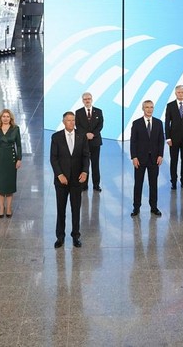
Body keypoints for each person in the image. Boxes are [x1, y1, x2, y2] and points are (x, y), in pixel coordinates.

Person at [50, 111, 89, 248]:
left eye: (73, 120)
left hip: (77, 180)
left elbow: (86, 156)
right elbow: (53, 158)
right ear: (63, 122)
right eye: (69, 120)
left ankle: (76, 236)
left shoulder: (82, 136)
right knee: (61, 209)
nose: (71, 123)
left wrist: (85, 172)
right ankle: (60, 237)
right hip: (61, 180)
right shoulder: (56, 137)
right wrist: (59, 175)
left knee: (76, 209)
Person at [129, 100, 164, 217]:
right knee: (138, 184)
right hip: (140, 159)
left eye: (151, 107)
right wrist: (134, 157)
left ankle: (154, 207)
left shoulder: (159, 123)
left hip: (154, 159)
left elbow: (161, 141)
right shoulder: (136, 123)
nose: (149, 109)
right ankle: (136, 207)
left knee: (153, 184)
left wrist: (160, 155)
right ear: (143, 109)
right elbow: (133, 142)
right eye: (147, 107)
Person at [0, 109, 22, 218]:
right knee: (0, 185)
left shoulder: (15, 129)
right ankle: (1, 208)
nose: (6, 118)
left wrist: (19, 159)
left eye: (8, 116)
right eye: (4, 116)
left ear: (10, 118)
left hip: (10, 159)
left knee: (9, 185)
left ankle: (8, 208)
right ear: (0, 118)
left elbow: (19, 145)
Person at [74, 92, 104, 192]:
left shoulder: (98, 111)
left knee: (95, 164)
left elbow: (100, 125)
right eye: (85, 99)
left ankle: (96, 185)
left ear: (92, 99)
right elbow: (78, 125)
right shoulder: (78, 112)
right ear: (83, 101)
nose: (87, 100)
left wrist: (93, 134)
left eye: (89, 99)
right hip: (83, 143)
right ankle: (84, 185)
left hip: (95, 142)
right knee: (84, 164)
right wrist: (86, 134)